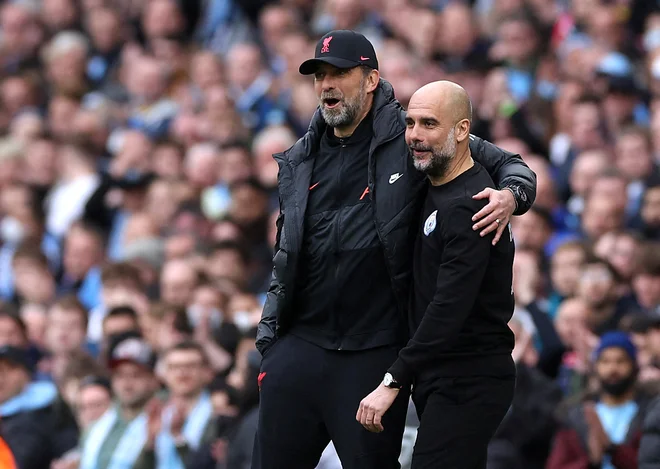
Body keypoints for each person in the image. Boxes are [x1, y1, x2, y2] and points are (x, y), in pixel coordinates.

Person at [254, 31, 536, 469]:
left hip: (373, 350)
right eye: (320, 75)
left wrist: (511, 195)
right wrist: (270, 343)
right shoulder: (300, 156)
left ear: (370, 80)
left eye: (340, 73)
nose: (327, 84)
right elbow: (285, 252)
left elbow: (505, 162)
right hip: (300, 346)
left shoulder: (413, 133)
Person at [356, 81, 517, 468]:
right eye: (410, 123)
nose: (415, 136)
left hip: (469, 376)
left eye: (429, 123)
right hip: (443, 374)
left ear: (462, 131)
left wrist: (393, 380)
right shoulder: (433, 185)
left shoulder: (473, 205)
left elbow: (449, 306)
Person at [547, 332, 648, 469]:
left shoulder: (649, 413)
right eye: (605, 361)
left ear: (633, 365)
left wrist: (612, 449)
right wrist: (591, 461)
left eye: (620, 361)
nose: (613, 368)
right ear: (596, 366)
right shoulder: (576, 415)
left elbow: (650, 461)